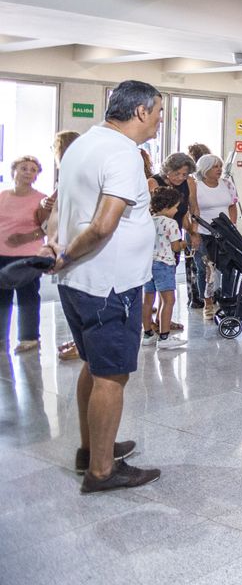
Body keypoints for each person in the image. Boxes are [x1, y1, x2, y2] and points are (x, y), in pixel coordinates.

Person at [50, 80, 162, 491]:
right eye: (159, 112)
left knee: (94, 367)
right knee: (112, 376)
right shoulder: (123, 154)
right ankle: (102, 471)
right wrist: (67, 254)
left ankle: (92, 449)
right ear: (140, 112)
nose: (159, 121)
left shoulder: (83, 144)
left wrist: (61, 255)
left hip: (80, 283)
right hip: (109, 285)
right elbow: (102, 226)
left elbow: (62, 206)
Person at [1, 155, 51, 354]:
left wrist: (25, 237)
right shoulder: (3, 196)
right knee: (2, 295)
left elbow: (48, 228)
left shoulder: (41, 199)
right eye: (24, 168)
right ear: (14, 171)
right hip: (2, 253)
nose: (28, 172)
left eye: (33, 169)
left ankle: (29, 337)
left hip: (29, 255)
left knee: (27, 295)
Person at [189, 154, 239, 323]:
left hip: (224, 233)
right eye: (215, 166)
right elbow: (192, 211)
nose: (219, 169)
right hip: (203, 232)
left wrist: (232, 225)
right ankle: (208, 303)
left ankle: (227, 301)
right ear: (204, 169)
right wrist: (193, 233)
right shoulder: (196, 186)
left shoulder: (227, 184)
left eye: (220, 166)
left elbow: (232, 206)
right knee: (205, 269)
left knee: (228, 267)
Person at [149, 152, 196, 330]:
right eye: (177, 173)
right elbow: (152, 209)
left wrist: (192, 232)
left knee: (168, 281)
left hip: (174, 234)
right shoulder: (153, 182)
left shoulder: (188, 184)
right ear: (168, 170)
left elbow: (186, 212)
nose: (181, 178)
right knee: (151, 287)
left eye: (185, 174)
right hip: (157, 238)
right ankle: (150, 324)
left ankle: (163, 321)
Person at [49, 132, 83, 360]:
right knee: (72, 295)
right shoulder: (69, 173)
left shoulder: (80, 171)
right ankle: (78, 340)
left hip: (78, 241)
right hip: (68, 240)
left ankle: (82, 344)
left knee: (79, 297)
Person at [141, 187, 187, 348]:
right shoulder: (171, 223)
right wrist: (183, 244)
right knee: (168, 300)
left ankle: (147, 334)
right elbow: (175, 247)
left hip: (148, 265)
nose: (176, 211)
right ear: (167, 207)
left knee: (148, 300)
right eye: (175, 207)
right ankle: (165, 337)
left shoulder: (147, 220)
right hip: (164, 265)